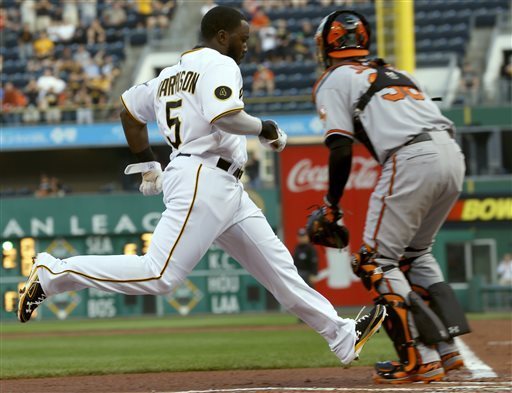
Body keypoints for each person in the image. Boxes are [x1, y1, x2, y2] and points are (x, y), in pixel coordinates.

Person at [18, 6, 386, 369]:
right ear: (222, 36)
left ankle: (341, 334)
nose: (245, 46)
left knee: (280, 270)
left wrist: (148, 163)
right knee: (160, 275)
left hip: (224, 185)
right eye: (242, 39)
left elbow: (129, 110)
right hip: (202, 176)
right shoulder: (219, 63)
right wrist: (265, 128)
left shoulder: (167, 76)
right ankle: (55, 274)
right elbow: (224, 115)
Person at [312, 10, 470, 384]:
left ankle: (420, 358)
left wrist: (332, 205)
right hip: (452, 154)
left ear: (325, 47)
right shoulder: (397, 73)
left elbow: (340, 148)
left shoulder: (334, 80)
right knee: (416, 255)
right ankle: (449, 353)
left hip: (411, 157)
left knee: (375, 262)